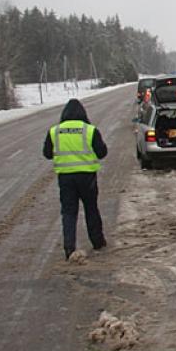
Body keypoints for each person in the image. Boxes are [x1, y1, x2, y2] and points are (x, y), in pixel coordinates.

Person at [42, 98, 108, 260]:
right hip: (87, 177)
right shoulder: (90, 130)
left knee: (69, 212)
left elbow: (47, 154)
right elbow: (102, 152)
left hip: (65, 178)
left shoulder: (54, 131)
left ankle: (69, 247)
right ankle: (97, 241)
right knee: (91, 208)